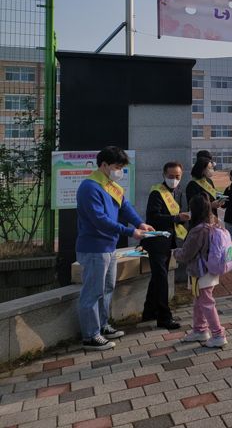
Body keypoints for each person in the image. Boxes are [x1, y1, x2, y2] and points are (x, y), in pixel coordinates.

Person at [75, 146, 154, 351]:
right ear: (104, 165)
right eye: (117, 167)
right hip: (94, 248)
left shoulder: (109, 185)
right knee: (92, 292)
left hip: (108, 247)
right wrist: (130, 232)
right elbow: (100, 220)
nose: (120, 171)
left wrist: (139, 223)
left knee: (107, 289)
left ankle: (102, 326)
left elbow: (124, 206)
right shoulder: (90, 188)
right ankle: (90, 336)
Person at [142, 161, 191, 329]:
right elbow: (153, 217)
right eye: (171, 176)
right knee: (162, 279)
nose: (174, 179)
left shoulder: (177, 192)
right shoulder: (157, 193)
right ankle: (164, 317)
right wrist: (177, 218)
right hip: (156, 242)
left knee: (157, 278)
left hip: (168, 241)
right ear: (164, 175)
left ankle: (149, 311)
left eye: (177, 176)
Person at [174, 194, 227, 348]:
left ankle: (218, 334)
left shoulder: (198, 230)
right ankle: (200, 329)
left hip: (200, 271)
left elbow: (186, 254)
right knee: (199, 301)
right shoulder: (214, 223)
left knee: (206, 302)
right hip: (211, 269)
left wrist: (174, 252)